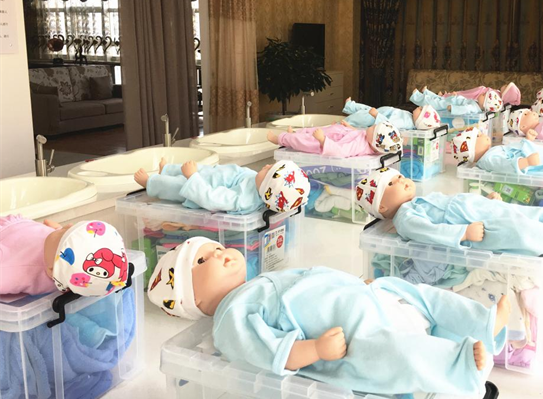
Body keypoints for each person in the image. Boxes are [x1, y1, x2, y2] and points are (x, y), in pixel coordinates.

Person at [146, 237, 511, 396]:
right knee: (396, 354)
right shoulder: (230, 318)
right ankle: (460, 364)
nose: (219, 253)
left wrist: (354, 283)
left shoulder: (258, 283)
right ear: (194, 299)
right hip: (349, 335)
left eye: (216, 247)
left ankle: (481, 322)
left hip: (366, 299)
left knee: (421, 295)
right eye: (202, 260)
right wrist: (315, 350)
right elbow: (268, 351)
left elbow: (314, 281)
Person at [356, 168, 543, 260]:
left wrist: (485, 201)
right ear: (382, 207)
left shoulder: (418, 200)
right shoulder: (405, 219)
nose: (402, 180)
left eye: (399, 176)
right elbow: (430, 232)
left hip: (480, 210)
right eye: (391, 184)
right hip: (476, 227)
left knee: (532, 213)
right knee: (520, 231)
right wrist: (463, 233)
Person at [0, 216, 128, 296]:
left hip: (7, 234)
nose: (69, 225)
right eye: (69, 230)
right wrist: (58, 230)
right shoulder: (58, 260)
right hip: (20, 226)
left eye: (63, 234)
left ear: (51, 270)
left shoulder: (16, 271)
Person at [134, 159, 310, 215]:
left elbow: (212, 199)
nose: (266, 165)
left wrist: (193, 178)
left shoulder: (244, 200)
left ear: (267, 188)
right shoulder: (257, 183)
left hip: (200, 187)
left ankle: (151, 183)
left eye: (269, 170)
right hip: (212, 175)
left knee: (176, 185)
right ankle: (166, 170)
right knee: (192, 167)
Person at [268, 121, 402, 158]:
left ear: (374, 141)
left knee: (305, 141)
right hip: (338, 132)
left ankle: (280, 139)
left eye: (374, 128)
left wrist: (322, 140)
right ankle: (294, 133)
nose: (372, 126)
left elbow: (340, 151)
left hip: (327, 141)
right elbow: (359, 133)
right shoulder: (367, 139)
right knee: (311, 130)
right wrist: (348, 127)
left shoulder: (360, 146)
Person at [342, 98, 442, 131]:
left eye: (421, 110)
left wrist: (377, 115)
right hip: (383, 112)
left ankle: (344, 124)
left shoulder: (405, 122)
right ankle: (350, 106)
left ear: (420, 120)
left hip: (376, 118)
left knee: (361, 117)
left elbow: (389, 125)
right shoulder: (411, 118)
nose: (419, 107)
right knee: (367, 109)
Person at [410, 86, 503, 115]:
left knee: (435, 103)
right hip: (453, 100)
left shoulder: (473, 108)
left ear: (485, 103)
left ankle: (416, 96)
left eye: (484, 95)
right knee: (439, 99)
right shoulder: (477, 105)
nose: (482, 93)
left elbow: (464, 109)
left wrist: (453, 108)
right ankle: (426, 92)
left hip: (452, 104)